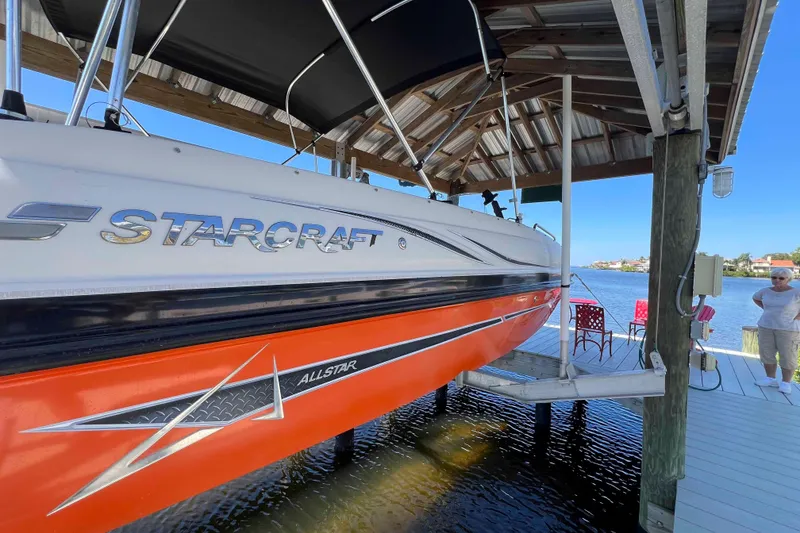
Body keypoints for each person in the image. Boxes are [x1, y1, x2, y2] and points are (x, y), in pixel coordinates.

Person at [752, 267, 800, 394]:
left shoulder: (796, 293)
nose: (777, 280)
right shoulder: (765, 291)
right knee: (766, 353)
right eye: (774, 277)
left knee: (788, 356)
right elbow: (755, 298)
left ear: (788, 279)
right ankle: (770, 379)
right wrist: (767, 309)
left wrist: (797, 317)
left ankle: (786, 383)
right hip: (765, 326)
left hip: (788, 329)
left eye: (781, 278)